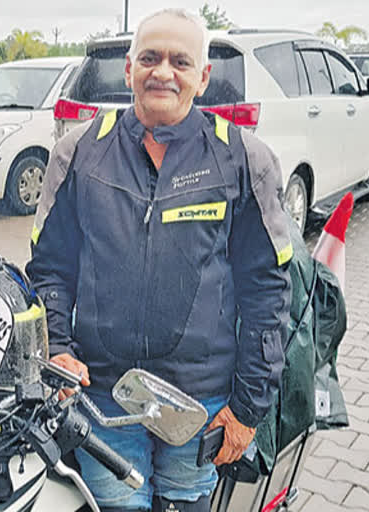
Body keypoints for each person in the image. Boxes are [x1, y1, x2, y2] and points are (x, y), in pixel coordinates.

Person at [25, 8, 291, 512]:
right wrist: (56, 348)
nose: (163, 72)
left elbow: (267, 292)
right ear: (129, 69)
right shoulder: (78, 151)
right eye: (149, 58)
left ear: (203, 76)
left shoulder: (243, 159)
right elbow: (50, 270)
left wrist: (248, 408)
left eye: (180, 61)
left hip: (201, 404)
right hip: (101, 396)